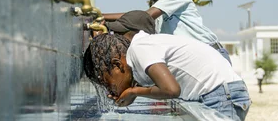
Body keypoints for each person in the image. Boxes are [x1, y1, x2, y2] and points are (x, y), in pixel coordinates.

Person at [84, 10, 251, 121]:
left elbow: (171, 90)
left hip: (222, 94)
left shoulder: (140, 47)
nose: (109, 88)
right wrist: (131, 94)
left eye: (107, 82)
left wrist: (133, 91)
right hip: (221, 92)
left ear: (117, 64)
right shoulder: (141, 52)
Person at [103, 0, 232, 65]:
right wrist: (100, 17)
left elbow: (142, 17)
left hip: (211, 54)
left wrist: (105, 21)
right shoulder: (156, 11)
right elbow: (137, 17)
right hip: (193, 60)